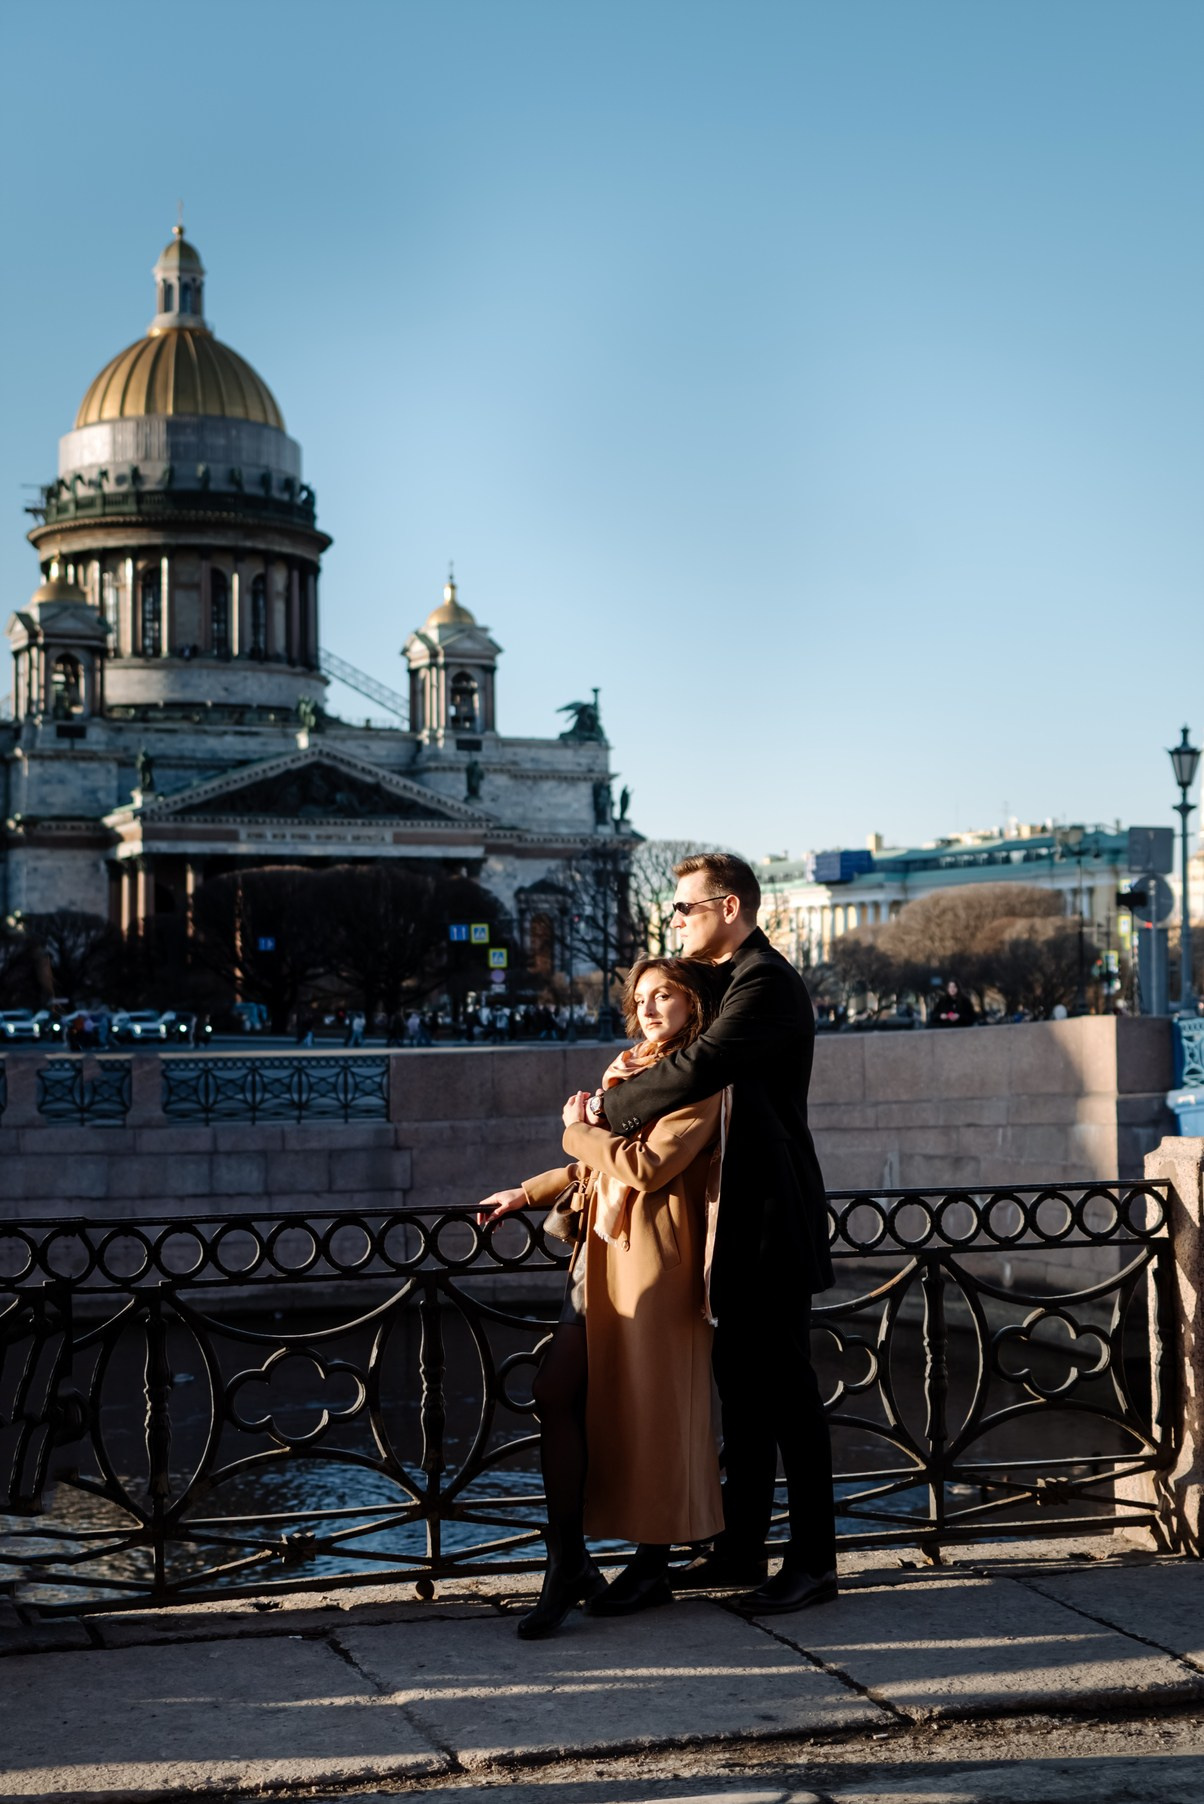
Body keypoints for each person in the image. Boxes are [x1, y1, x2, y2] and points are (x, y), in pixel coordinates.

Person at [589, 851, 836, 1616]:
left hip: (769, 1218)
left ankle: (814, 1563)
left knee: (789, 1395)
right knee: (743, 1394)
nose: (675, 921)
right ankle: (740, 1547)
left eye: (685, 908)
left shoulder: (765, 982)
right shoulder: (724, 981)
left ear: (729, 908)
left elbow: (701, 1066)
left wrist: (607, 1109)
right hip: (728, 1223)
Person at [478, 957, 726, 1638]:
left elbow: (645, 1165)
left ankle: (650, 1565)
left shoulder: (700, 1081)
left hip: (655, 1264)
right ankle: (570, 1562)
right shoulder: (629, 1071)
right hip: (600, 1255)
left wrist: (575, 1128)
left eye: (665, 995)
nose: (649, 1008)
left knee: (655, 1411)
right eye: (641, 998)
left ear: (693, 1004)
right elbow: (597, 1166)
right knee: (554, 1391)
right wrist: (529, 1191)